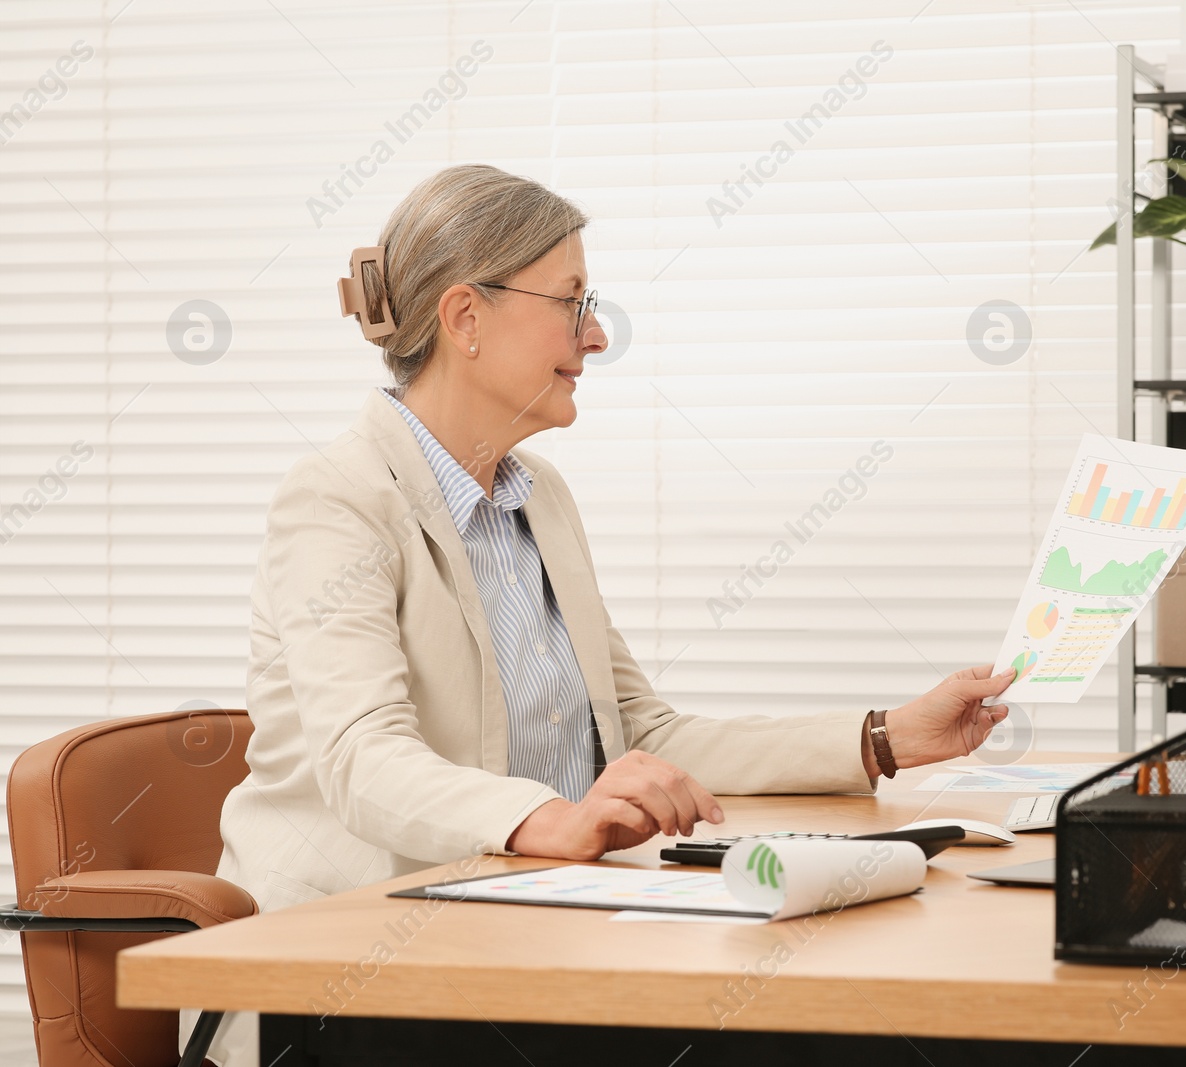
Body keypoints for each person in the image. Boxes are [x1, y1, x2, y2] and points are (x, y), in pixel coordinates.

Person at [185, 164, 1014, 1065]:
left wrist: (885, 738)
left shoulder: (540, 498)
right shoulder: (339, 499)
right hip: (340, 982)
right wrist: (548, 816)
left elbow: (642, 732)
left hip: (516, 940)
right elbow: (362, 759)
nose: (598, 333)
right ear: (465, 318)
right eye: (572, 299)